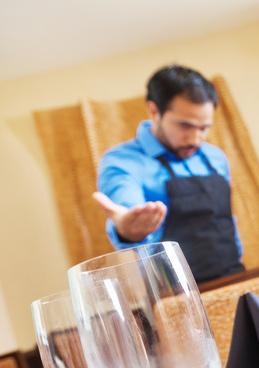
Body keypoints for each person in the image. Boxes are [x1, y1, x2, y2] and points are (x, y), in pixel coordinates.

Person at [94, 64, 244, 283]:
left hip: (235, 276)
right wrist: (130, 230)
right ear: (154, 111)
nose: (194, 139)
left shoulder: (215, 157)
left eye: (204, 128)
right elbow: (128, 213)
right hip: (174, 293)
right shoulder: (122, 161)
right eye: (184, 125)